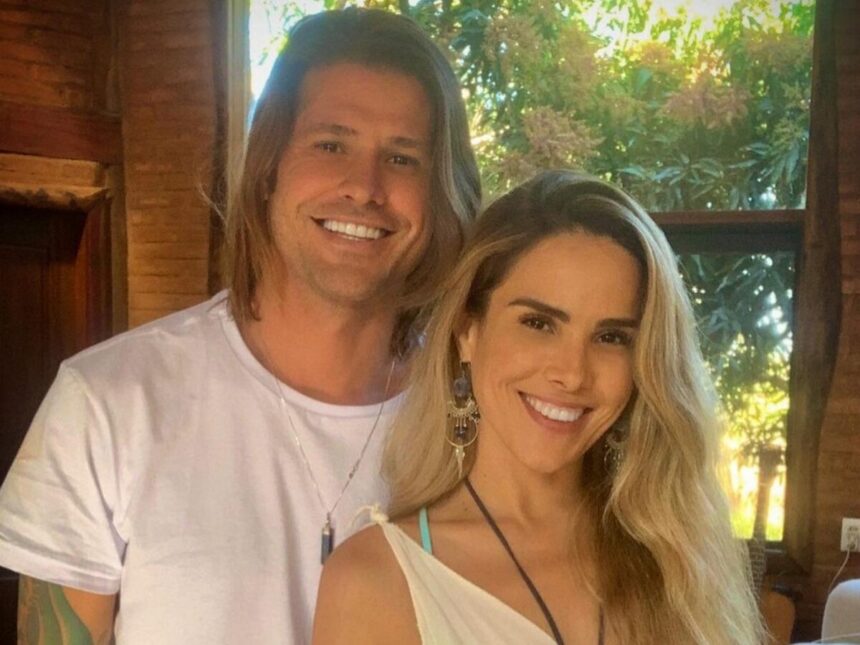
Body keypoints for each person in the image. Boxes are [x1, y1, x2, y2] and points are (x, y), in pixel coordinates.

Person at [0, 8, 480, 644]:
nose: (365, 188)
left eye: (402, 157)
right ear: (268, 167)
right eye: (331, 144)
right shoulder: (108, 402)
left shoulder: (478, 417)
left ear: (441, 193)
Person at [312, 170, 764, 644]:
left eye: (612, 337)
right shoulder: (375, 582)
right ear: (468, 331)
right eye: (539, 324)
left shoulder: (678, 560)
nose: (573, 373)